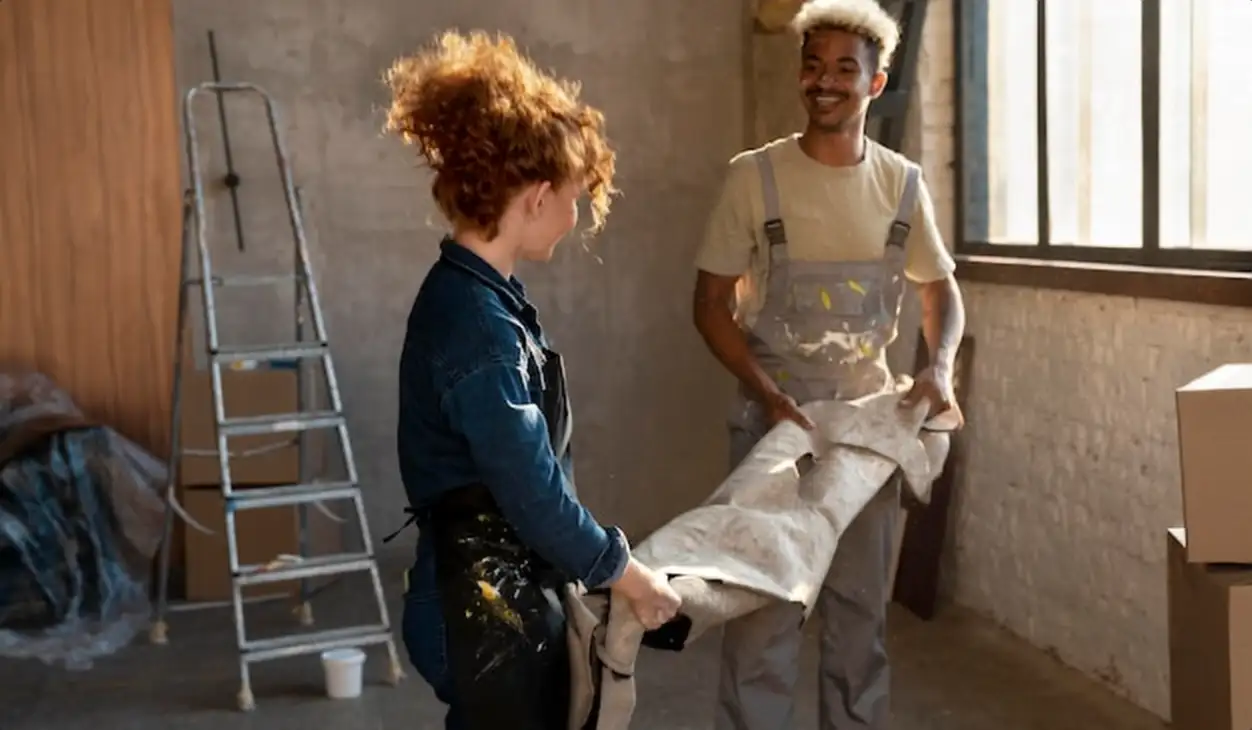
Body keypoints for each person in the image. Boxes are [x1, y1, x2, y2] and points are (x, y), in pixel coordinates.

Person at [383, 30, 682, 730]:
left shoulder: (483, 300)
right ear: (538, 198)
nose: (576, 219)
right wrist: (625, 573)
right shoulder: (480, 325)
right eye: (576, 199)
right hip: (480, 606)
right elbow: (531, 491)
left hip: (496, 590)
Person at [690, 1, 967, 729]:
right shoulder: (755, 179)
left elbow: (943, 293)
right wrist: (766, 390)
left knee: (856, 625)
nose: (825, 81)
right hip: (771, 434)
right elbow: (710, 306)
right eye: (813, 65)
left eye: (846, 68)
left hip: (864, 442)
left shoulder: (902, 185)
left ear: (875, 85)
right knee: (763, 624)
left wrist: (938, 367)